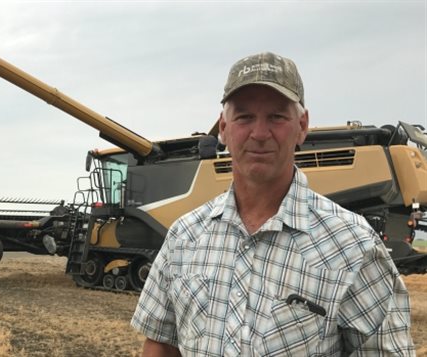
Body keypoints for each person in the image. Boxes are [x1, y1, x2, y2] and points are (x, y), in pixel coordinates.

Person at [130, 52, 415, 356]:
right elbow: (161, 345)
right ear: (224, 129)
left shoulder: (354, 247)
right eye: (244, 117)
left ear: (302, 126)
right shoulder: (183, 238)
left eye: (277, 116)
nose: (260, 133)